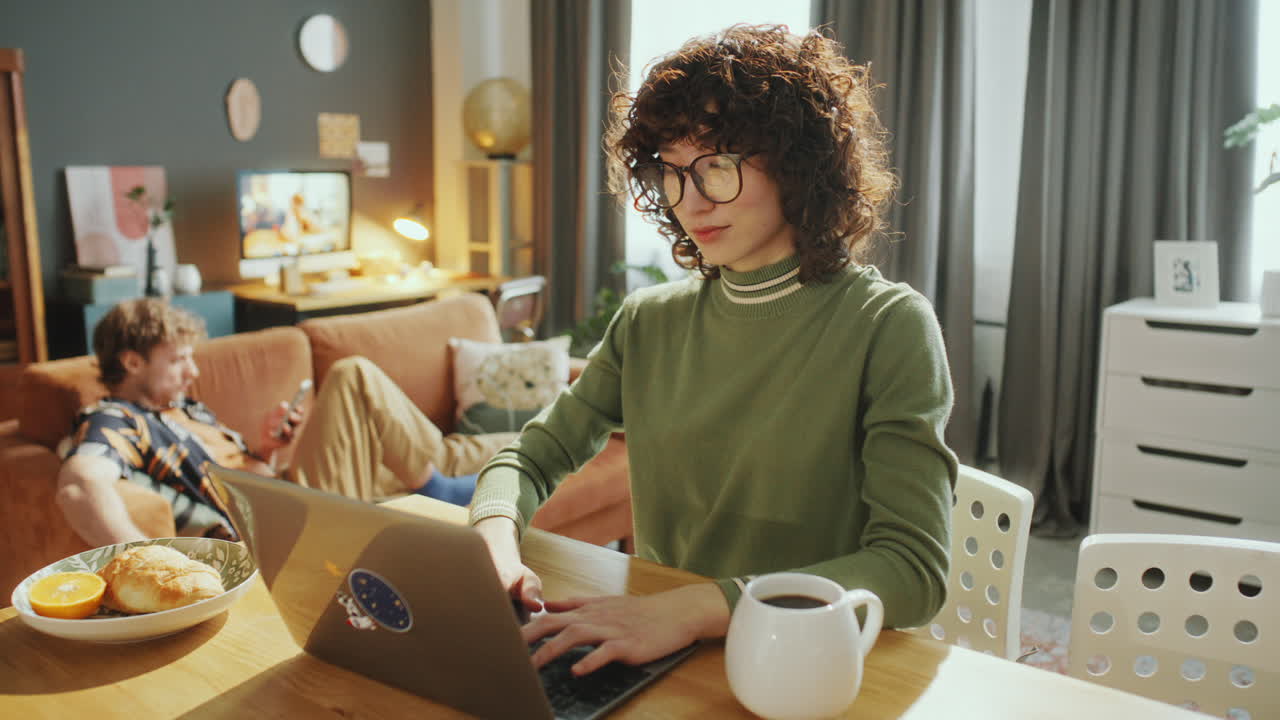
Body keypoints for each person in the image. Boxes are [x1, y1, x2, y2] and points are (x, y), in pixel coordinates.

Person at [469, 24, 958, 676]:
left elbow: (913, 569)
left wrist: (697, 607)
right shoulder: (650, 322)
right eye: (670, 173)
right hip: (658, 649)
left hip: (804, 662)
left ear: (797, 164)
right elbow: (530, 459)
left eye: (718, 167)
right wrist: (493, 539)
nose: (690, 201)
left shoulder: (888, 326)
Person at [56, 298, 515, 547]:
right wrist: (138, 558)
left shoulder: (187, 410)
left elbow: (253, 473)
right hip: (289, 520)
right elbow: (78, 485)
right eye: (178, 361)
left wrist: (268, 449)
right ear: (132, 362)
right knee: (352, 374)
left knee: (504, 449)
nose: (193, 373)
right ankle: (437, 490)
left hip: (288, 484)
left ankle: (483, 468)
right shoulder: (117, 419)